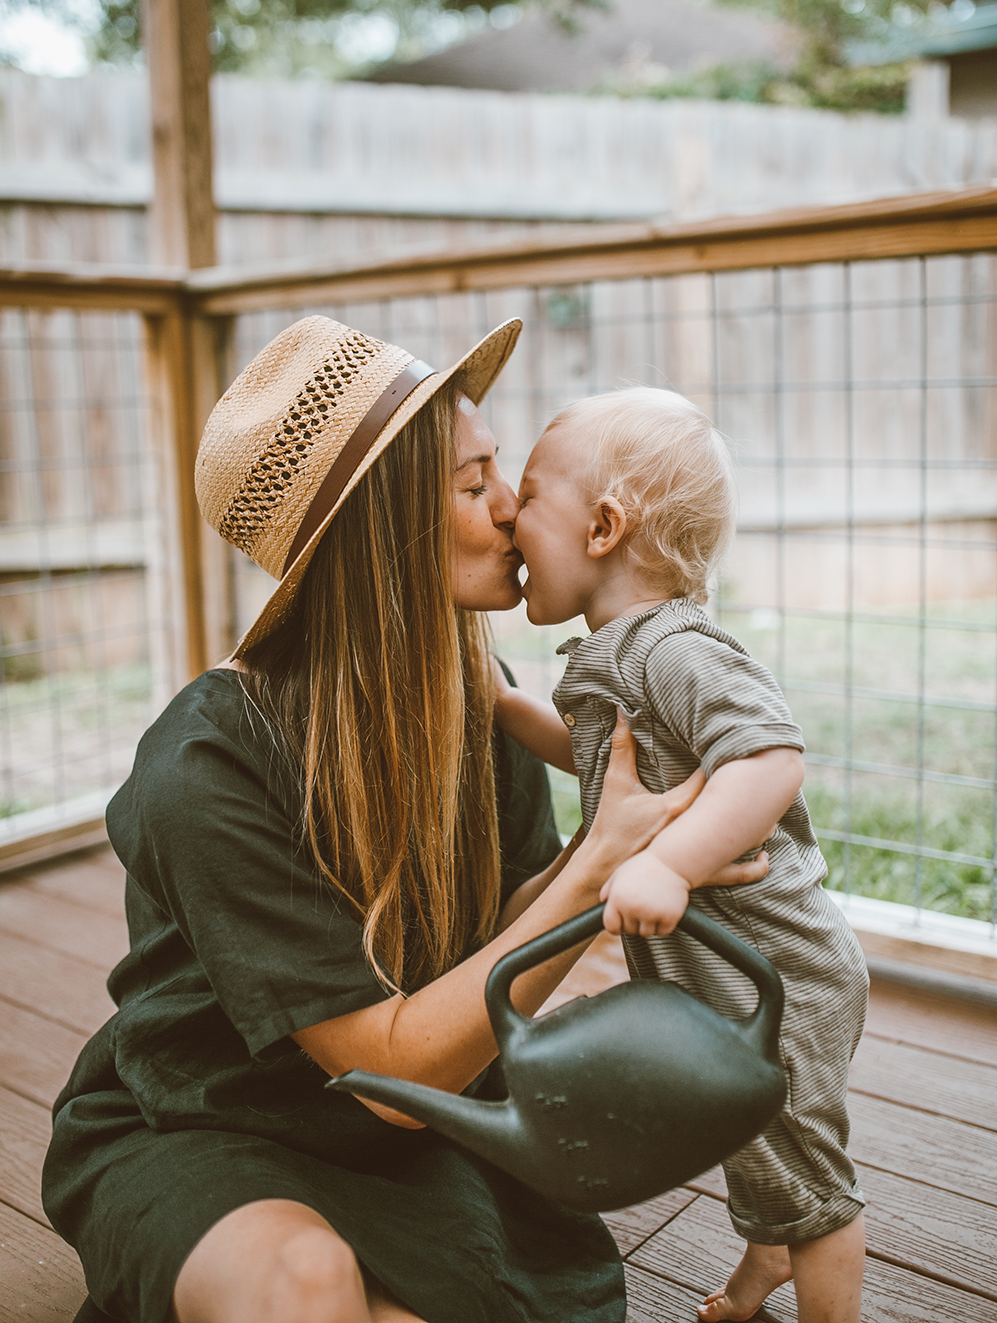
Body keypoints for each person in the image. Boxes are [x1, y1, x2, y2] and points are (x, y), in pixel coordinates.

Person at [42, 320, 769, 1323]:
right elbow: (384, 1074)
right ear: (372, 538)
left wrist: (625, 843)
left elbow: (513, 918)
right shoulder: (203, 765)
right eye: (473, 489)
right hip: (207, 1119)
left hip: (420, 1129)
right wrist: (596, 868)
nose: (513, 505)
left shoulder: (481, 698)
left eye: (497, 468)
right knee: (305, 1290)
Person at [494, 386, 870, 1323]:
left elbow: (770, 757)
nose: (507, 514)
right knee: (759, 1140)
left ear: (605, 526)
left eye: (530, 496)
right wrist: (502, 709)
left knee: (811, 1183)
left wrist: (672, 862)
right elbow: (595, 758)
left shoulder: (673, 649)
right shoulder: (617, 654)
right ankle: (760, 1272)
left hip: (777, 973)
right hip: (725, 973)